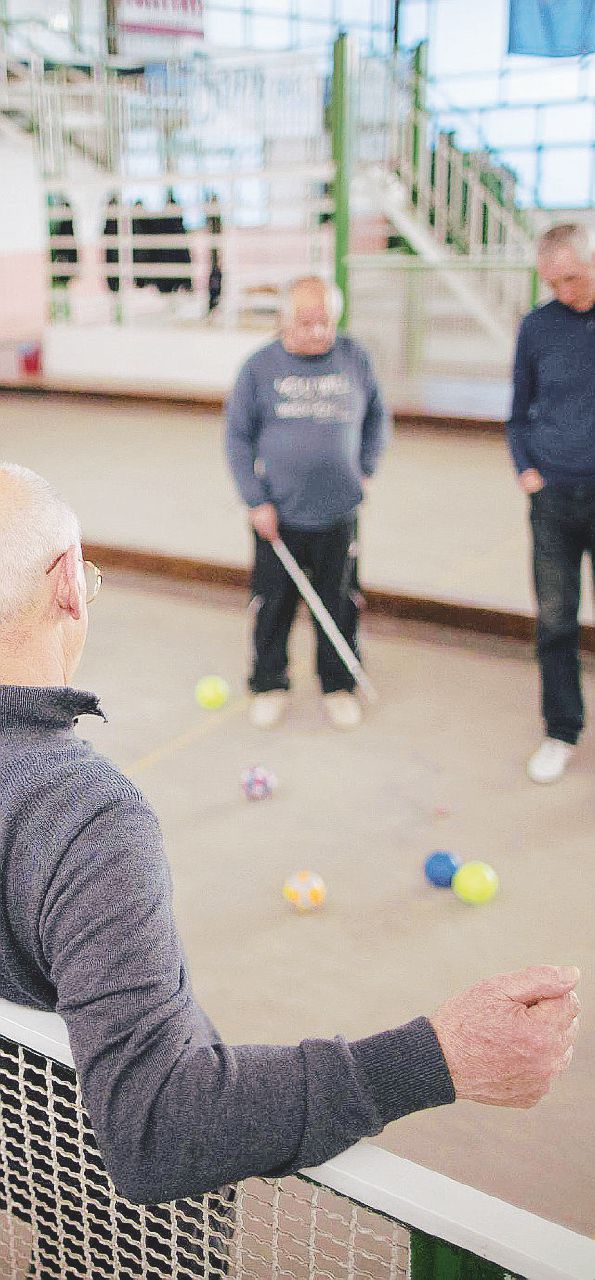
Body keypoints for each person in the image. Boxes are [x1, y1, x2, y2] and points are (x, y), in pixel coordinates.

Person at [0, 462, 580, 1213]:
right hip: (104, 1204)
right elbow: (157, 1128)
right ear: (69, 582)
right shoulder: (85, 817)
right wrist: (439, 1057)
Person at [226, 276, 387, 730]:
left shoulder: (355, 358)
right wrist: (255, 500)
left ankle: (338, 685)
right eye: (306, 322)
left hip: (339, 512)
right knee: (273, 602)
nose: (317, 332)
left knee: (339, 602)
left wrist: (367, 468)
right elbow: (237, 438)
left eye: (325, 322)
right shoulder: (259, 368)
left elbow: (378, 416)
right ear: (283, 319)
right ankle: (269, 683)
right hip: (278, 513)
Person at [507, 223, 595, 784]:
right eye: (552, 281)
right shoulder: (537, 328)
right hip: (554, 497)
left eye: (573, 277)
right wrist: (526, 468)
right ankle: (562, 729)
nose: (564, 290)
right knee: (557, 620)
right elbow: (518, 409)